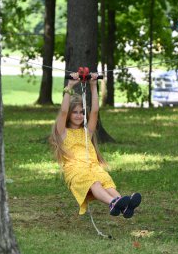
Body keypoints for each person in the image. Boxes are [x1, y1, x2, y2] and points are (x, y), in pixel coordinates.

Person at [51, 72, 141, 218]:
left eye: (81, 112)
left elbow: (95, 111)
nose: (79, 115)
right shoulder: (62, 132)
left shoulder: (87, 131)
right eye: (75, 112)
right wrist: (70, 86)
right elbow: (63, 111)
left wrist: (93, 86)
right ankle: (114, 202)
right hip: (75, 170)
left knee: (106, 181)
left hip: (92, 166)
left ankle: (125, 206)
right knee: (94, 183)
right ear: (69, 115)